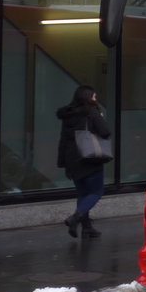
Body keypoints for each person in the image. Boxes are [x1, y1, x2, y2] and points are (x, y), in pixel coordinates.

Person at [56, 85, 112, 238]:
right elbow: (105, 132)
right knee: (96, 192)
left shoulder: (68, 115)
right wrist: (99, 113)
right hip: (89, 158)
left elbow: (63, 140)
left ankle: (86, 228)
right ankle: (75, 218)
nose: (96, 99)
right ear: (88, 98)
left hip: (72, 160)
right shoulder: (91, 112)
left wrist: (63, 162)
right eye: (94, 97)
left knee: (83, 194)